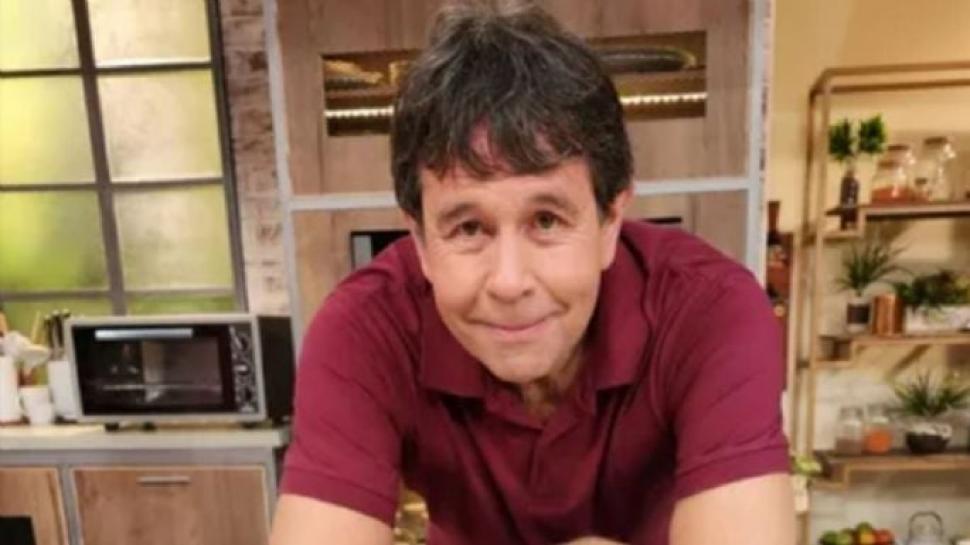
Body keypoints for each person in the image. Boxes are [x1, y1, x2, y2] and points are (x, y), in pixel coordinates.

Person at [271, 3, 795, 545]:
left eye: (546, 220)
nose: (509, 281)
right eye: (468, 228)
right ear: (420, 241)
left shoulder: (711, 311)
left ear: (610, 221)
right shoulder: (365, 329)